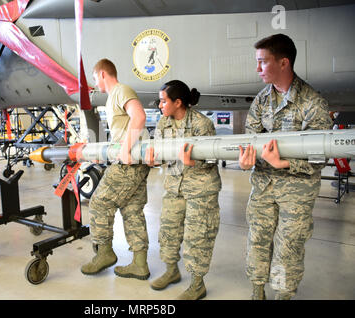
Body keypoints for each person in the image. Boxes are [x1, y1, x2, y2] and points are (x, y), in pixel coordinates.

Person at [238, 34, 333, 299]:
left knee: (287, 247)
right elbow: (252, 141)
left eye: (262, 62)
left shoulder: (313, 103)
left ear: (283, 62)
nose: (257, 69)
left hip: (297, 191)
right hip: (264, 187)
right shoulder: (261, 101)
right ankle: (257, 291)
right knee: (257, 240)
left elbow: (320, 157)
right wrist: (247, 162)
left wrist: (285, 163)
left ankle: (282, 295)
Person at [146, 80, 221, 300]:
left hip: (201, 190)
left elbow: (212, 158)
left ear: (178, 102)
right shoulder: (163, 123)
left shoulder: (201, 124)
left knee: (197, 237)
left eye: (163, 101)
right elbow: (161, 154)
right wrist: (154, 161)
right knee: (168, 232)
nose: (160, 105)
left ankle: (198, 284)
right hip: (174, 187)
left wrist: (193, 162)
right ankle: (172, 271)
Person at [81, 59, 151, 280]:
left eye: (94, 79)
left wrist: (125, 149)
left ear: (102, 74)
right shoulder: (114, 96)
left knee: (100, 202)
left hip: (128, 163)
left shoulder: (120, 90)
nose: (95, 84)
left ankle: (105, 253)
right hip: (137, 163)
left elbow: (139, 116)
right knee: (132, 210)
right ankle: (140, 264)